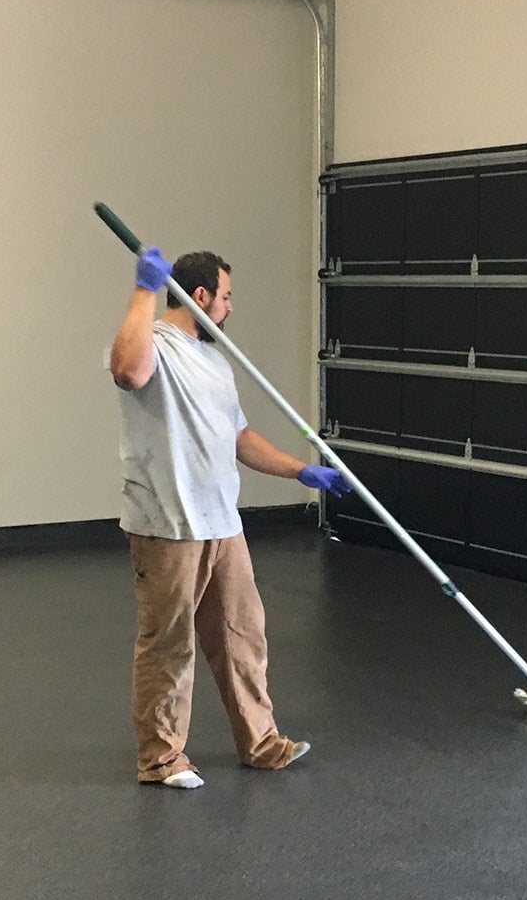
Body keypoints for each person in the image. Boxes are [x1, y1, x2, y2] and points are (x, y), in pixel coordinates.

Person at [107, 245, 352, 790]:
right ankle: (161, 759)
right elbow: (127, 371)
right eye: (227, 297)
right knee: (168, 644)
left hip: (223, 524)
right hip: (167, 525)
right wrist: (144, 288)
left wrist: (300, 472)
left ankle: (262, 744)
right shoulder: (155, 345)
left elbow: (239, 438)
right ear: (200, 297)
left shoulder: (215, 362)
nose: (230, 308)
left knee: (243, 635)